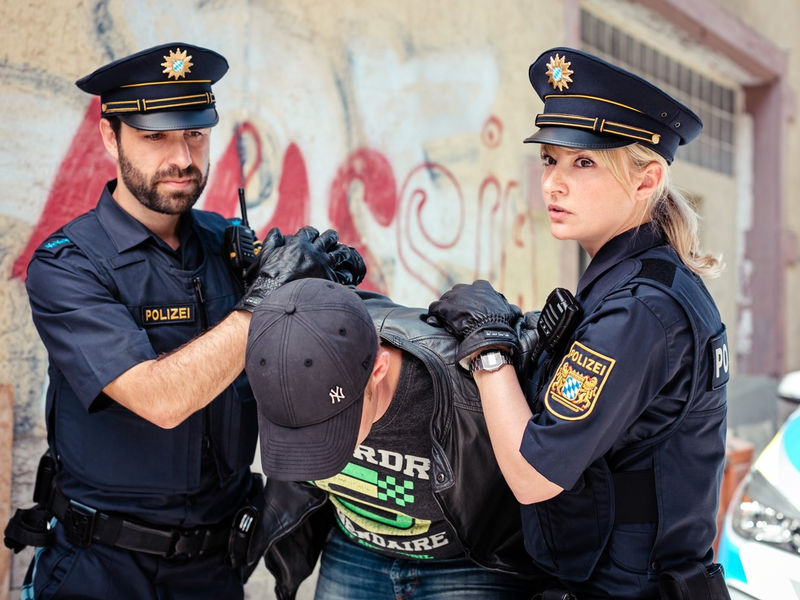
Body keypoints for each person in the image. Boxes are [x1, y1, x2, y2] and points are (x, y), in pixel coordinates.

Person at [10, 42, 359, 600]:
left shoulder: (230, 246)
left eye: (195, 133)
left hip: (216, 569)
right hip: (101, 569)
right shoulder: (68, 265)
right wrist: (268, 300)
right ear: (110, 137)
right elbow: (161, 398)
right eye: (155, 136)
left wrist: (326, 298)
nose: (182, 157)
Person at [428, 47, 731, 600]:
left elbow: (532, 475)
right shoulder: (632, 281)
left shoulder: (640, 307)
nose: (553, 184)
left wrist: (488, 348)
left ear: (647, 180)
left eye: (584, 163)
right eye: (550, 159)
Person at [243, 277, 557, 600]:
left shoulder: (462, 385)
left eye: (330, 428)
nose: (312, 449)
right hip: (353, 550)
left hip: (465, 563)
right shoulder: (284, 358)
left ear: (378, 368)